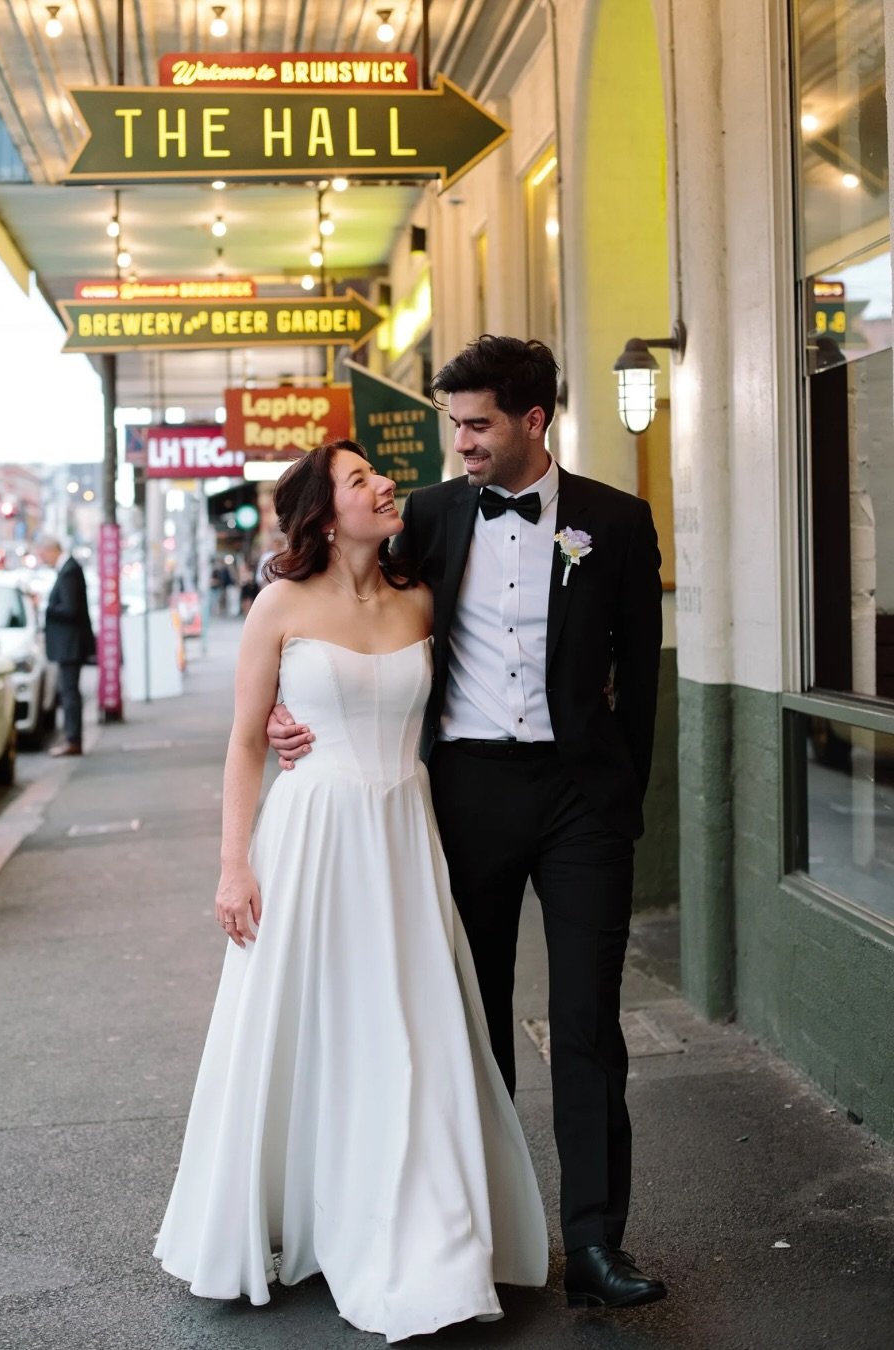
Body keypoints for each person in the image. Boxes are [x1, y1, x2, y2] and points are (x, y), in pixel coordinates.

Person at [268, 337, 667, 1310]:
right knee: (469, 1021)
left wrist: (622, 807)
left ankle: (595, 1243)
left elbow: (642, 682)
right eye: (455, 423)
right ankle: (480, 1231)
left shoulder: (616, 523)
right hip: (464, 797)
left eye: (478, 423)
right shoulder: (437, 516)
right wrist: (285, 699)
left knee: (584, 1025)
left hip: (581, 803)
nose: (462, 442)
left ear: (534, 421)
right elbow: (337, 593)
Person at [153, 440, 548, 1342]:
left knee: (410, 1027)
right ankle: (310, 1209)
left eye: (378, 473)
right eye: (360, 479)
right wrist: (232, 864)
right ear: (327, 516)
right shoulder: (279, 604)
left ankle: (429, 1235)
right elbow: (248, 739)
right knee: (309, 1024)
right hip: (312, 835)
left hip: (404, 835)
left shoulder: (422, 598)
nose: (382, 485)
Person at [37, 535, 95, 757]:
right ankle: (72, 739)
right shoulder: (69, 569)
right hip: (70, 643)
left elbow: (70, 609)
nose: (43, 559)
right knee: (69, 692)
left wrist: (47, 609)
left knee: (69, 692)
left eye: (43, 554)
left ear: (52, 550)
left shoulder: (69, 571)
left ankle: (73, 740)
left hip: (70, 644)